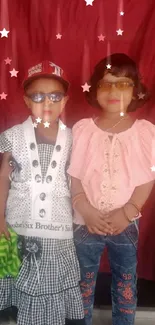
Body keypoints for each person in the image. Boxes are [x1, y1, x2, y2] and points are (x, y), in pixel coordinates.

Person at [67, 53, 155, 325]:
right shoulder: (83, 130)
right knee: (81, 284)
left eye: (123, 84)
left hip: (125, 224)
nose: (114, 90)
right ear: (95, 90)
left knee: (125, 283)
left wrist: (128, 211)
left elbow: (147, 178)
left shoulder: (144, 132)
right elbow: (74, 174)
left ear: (136, 91)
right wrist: (84, 208)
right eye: (106, 84)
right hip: (86, 223)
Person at [0, 60, 85, 325]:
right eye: (37, 96)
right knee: (20, 282)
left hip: (57, 228)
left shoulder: (73, 138)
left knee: (48, 287)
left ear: (64, 101)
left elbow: (80, 179)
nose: (46, 102)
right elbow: (3, 176)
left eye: (54, 96)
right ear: (26, 101)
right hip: (18, 225)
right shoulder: (13, 136)